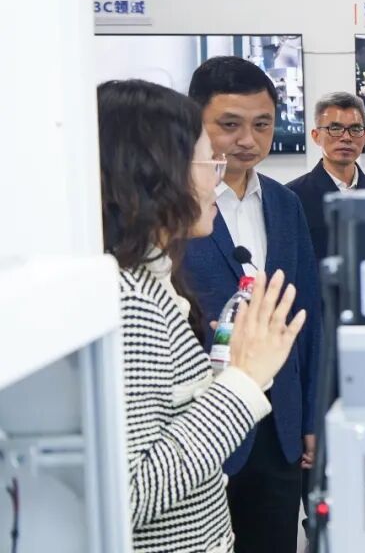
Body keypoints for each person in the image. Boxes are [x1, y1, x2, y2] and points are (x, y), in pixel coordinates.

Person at [97, 79, 306, 553]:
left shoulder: (151, 281)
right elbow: (127, 496)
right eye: (208, 161)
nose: (218, 177)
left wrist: (227, 371)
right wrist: (243, 382)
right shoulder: (130, 303)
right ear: (157, 173)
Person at [183, 56, 323, 553]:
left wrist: (311, 420)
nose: (248, 139)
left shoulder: (285, 204)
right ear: (195, 123)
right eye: (229, 125)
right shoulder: (177, 207)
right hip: (199, 427)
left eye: (262, 125)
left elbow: (308, 317)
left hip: (279, 422)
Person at [287, 92, 365, 262]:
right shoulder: (292, 197)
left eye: (355, 129)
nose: (346, 137)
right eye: (335, 129)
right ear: (316, 136)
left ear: (364, 137)